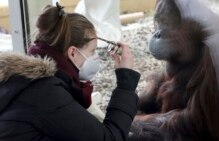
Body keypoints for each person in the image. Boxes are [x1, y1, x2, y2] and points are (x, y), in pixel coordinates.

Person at [0, 3, 140, 141]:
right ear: (73, 52)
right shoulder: (46, 93)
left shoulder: (26, 79)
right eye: (92, 51)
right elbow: (109, 138)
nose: (95, 56)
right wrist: (125, 83)